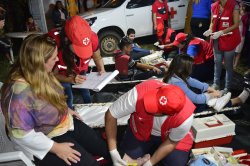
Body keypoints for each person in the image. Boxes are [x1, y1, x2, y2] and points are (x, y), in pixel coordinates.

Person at [0, 34, 111, 166]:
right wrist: (56, 148)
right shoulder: (19, 94)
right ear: (39, 61)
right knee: (89, 164)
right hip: (46, 138)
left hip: (62, 123)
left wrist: (66, 109)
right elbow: (21, 135)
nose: (57, 59)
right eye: (53, 58)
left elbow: (47, 98)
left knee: (105, 147)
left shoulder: (39, 72)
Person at [105, 79, 196, 166]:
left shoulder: (185, 118)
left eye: (154, 108)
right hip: (140, 130)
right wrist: (113, 151)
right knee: (125, 161)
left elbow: (171, 142)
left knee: (176, 163)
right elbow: (111, 114)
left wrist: (150, 163)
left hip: (169, 137)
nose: (146, 103)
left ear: (168, 114)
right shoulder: (140, 92)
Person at [48, 15, 106, 109]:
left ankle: (89, 108)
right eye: (79, 48)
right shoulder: (53, 42)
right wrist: (70, 79)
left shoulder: (92, 37)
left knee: (86, 93)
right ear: (66, 40)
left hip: (81, 72)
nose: (82, 54)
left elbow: (98, 57)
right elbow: (50, 75)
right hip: (62, 74)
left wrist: (102, 70)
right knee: (67, 96)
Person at [163, 54, 250, 112]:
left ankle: (218, 101)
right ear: (183, 68)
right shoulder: (177, 82)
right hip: (183, 109)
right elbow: (197, 99)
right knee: (207, 101)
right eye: (190, 67)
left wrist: (209, 88)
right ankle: (239, 99)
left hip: (179, 103)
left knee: (204, 93)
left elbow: (191, 81)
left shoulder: (175, 74)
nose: (192, 69)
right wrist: (213, 94)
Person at [203, 0, 241, 94]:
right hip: (216, 39)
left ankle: (227, 88)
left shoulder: (234, 5)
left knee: (228, 65)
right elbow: (212, 21)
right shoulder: (214, 6)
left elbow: (236, 24)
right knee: (217, 62)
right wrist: (210, 29)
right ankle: (216, 83)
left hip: (229, 40)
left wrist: (222, 32)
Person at [234, 3, 249, 69]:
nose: (242, 7)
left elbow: (246, 23)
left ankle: (235, 64)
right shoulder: (236, 13)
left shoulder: (247, 15)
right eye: (241, 6)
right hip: (234, 34)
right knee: (233, 50)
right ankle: (231, 62)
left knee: (238, 51)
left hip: (241, 35)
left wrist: (242, 16)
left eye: (243, 6)